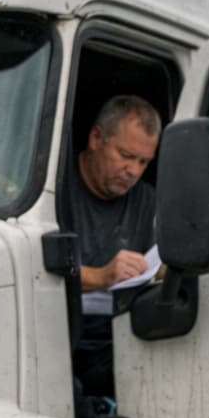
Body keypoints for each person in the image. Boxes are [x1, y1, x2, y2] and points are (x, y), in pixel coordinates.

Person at [66, 94, 161, 402]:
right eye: (125, 155)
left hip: (121, 345)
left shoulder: (149, 202)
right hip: (58, 344)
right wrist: (101, 277)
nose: (132, 171)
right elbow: (32, 271)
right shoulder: (52, 191)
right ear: (96, 138)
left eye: (143, 162)